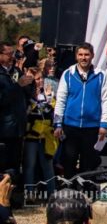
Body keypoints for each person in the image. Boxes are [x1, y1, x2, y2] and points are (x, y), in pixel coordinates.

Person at [53, 43, 107, 179]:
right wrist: (57, 123)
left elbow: (106, 101)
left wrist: (104, 124)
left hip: (91, 127)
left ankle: (87, 190)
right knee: (69, 162)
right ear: (76, 56)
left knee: (88, 164)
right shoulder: (68, 74)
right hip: (70, 126)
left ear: (92, 56)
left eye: (86, 55)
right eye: (80, 55)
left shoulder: (100, 75)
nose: (83, 58)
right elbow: (60, 100)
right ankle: (70, 189)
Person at [0, 42, 33, 175]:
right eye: (9, 54)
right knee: (4, 166)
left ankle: (13, 186)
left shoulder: (16, 71)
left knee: (15, 166)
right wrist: (18, 85)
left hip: (18, 128)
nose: (12, 57)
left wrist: (30, 82)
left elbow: (26, 95)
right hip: (4, 130)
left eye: (13, 53)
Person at [23, 66, 56, 197]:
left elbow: (52, 112)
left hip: (46, 136)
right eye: (37, 79)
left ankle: (52, 195)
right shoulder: (26, 94)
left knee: (48, 166)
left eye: (41, 78)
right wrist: (35, 102)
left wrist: (49, 99)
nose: (40, 81)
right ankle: (29, 195)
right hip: (31, 136)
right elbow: (26, 113)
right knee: (29, 166)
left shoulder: (48, 93)